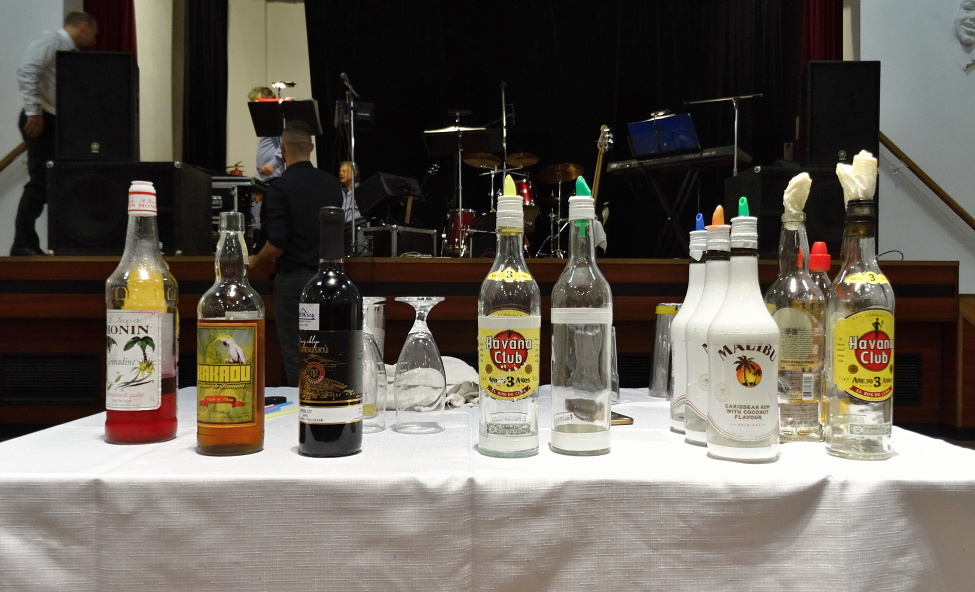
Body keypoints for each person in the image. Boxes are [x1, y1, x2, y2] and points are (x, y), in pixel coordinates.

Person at [249, 120, 343, 387]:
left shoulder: (279, 188)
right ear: (311, 147)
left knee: (297, 354)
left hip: (294, 282)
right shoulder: (331, 185)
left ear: (282, 148)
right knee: (329, 349)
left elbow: (277, 243)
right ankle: (329, 401)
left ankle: (300, 408)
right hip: (331, 279)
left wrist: (254, 260)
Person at [11, 11, 97, 256]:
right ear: (83, 26)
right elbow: (27, 69)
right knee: (40, 182)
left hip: (55, 121)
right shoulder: (52, 40)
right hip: (42, 119)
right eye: (93, 33)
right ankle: (22, 244)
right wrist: (33, 112)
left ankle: (61, 242)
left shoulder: (69, 51)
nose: (93, 39)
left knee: (59, 182)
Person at [248, 86, 284, 182]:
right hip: (264, 177)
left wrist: (272, 165)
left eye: (257, 102)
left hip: (274, 175)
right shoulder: (266, 121)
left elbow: (283, 145)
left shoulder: (277, 120)